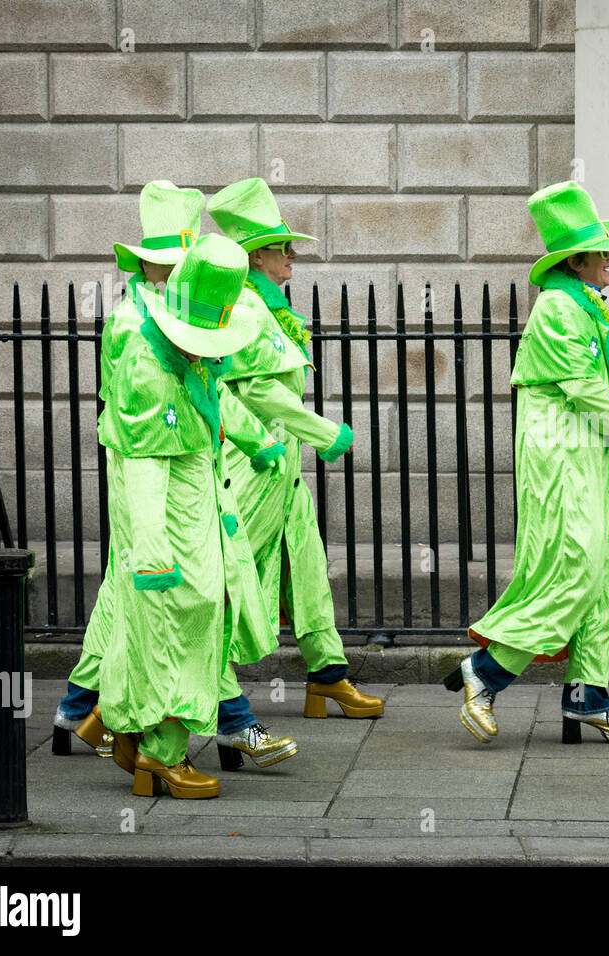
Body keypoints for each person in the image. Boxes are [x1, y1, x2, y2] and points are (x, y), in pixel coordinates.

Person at [52, 182, 295, 773]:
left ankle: (90, 714)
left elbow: (207, 400)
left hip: (179, 470)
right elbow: (150, 423)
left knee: (147, 599)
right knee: (177, 598)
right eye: (175, 265)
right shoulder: (140, 328)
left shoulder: (171, 320)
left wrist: (253, 441)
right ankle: (225, 724)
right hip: (148, 470)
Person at [445, 181, 609, 745]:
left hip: (583, 456)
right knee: (574, 573)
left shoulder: (582, 304)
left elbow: (593, 388)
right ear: (577, 260)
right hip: (560, 460)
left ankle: (589, 694)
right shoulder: (561, 307)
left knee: (604, 574)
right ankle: (483, 674)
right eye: (602, 250)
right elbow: (585, 387)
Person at [207, 178, 383, 732]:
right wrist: (323, 432)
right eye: (284, 249)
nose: (293, 259)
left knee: (305, 562)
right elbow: (256, 391)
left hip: (280, 464)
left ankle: (326, 671)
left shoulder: (268, 305)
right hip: (254, 462)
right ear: (258, 255)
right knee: (233, 570)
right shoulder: (248, 309)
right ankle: (198, 681)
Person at [97, 233, 268, 799]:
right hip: (169, 527)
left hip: (195, 517)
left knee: (179, 625)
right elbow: (145, 469)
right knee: (180, 626)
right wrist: (151, 551)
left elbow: (215, 412)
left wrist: (256, 440)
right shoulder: (149, 370)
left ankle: (124, 729)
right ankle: (160, 756)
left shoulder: (185, 358)